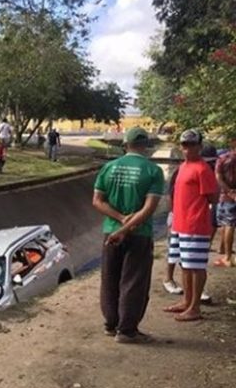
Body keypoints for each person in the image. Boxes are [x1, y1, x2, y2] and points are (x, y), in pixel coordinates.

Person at [92, 127, 164, 344]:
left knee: (110, 278)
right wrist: (127, 225)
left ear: (125, 144)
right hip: (139, 233)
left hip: (110, 232)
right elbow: (149, 209)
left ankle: (110, 324)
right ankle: (127, 330)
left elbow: (97, 201)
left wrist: (119, 220)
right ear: (146, 145)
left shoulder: (109, 167)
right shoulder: (153, 171)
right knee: (134, 281)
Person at [164, 130, 219, 322]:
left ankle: (195, 307)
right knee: (184, 265)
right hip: (180, 224)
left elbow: (213, 197)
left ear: (199, 147)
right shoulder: (184, 166)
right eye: (185, 145)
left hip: (195, 224)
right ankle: (187, 301)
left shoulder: (203, 169)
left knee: (196, 266)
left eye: (192, 145)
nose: (188, 148)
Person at [214, 135, 236, 267]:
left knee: (227, 224)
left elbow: (218, 177)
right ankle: (225, 252)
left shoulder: (223, 158)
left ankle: (227, 256)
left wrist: (229, 191)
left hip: (226, 196)